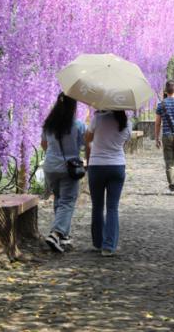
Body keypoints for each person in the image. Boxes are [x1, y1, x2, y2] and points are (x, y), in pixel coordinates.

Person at [40, 93, 86, 252]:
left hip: (50, 167)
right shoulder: (78, 125)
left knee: (59, 199)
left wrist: (54, 154)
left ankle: (64, 237)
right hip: (69, 168)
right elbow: (83, 144)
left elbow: (44, 145)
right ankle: (55, 234)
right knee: (67, 201)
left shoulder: (48, 124)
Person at [85, 108, 132, 256]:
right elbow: (124, 141)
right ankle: (109, 246)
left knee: (97, 206)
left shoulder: (98, 119)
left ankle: (98, 243)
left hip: (96, 166)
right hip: (117, 166)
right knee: (112, 208)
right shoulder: (126, 123)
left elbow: (87, 139)